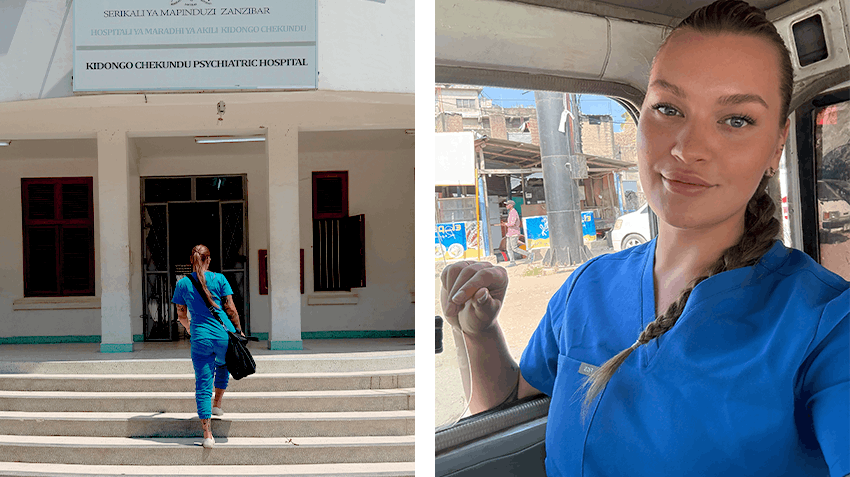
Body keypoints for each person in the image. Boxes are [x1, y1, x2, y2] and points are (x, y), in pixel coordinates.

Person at [440, 1, 849, 475]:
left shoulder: (825, 322)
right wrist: (480, 331)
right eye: (669, 108)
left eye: (736, 119)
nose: (688, 148)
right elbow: (512, 401)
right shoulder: (585, 289)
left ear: (777, 142)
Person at [172, 244, 245, 449]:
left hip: (201, 338)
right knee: (223, 364)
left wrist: (190, 329)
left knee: (203, 384)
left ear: (191, 260)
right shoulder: (219, 279)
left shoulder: (183, 283)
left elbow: (181, 315)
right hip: (223, 335)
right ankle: (218, 404)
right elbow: (230, 308)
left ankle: (207, 434)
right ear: (208, 259)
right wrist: (238, 330)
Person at [501, 200, 530, 266]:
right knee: (508, 248)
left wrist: (505, 224)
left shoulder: (513, 212)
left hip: (514, 233)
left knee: (514, 248)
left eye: (507, 204)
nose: (506, 206)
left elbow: (512, 223)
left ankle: (529, 254)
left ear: (511, 205)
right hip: (510, 233)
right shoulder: (511, 212)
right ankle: (512, 262)